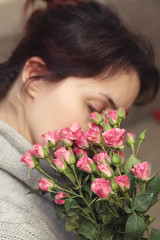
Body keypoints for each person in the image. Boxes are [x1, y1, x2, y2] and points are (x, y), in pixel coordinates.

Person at [0, 0, 159, 239]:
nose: (103, 138)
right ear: (36, 75)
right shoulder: (12, 224)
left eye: (113, 123)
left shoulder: (68, 189)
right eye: (94, 108)